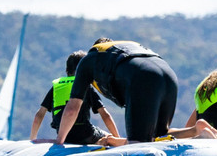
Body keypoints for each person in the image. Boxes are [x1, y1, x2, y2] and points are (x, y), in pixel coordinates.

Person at [55, 38, 183, 145]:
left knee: (137, 145)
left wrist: (60, 141)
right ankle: (196, 132)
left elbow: (72, 109)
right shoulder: (119, 51)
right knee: (160, 136)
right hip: (169, 74)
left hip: (143, 77)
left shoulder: (88, 60)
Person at [29, 51, 121, 145]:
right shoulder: (85, 86)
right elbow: (105, 115)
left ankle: (99, 142)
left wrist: (32, 139)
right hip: (86, 134)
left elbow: (39, 115)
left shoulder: (57, 87)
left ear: (66, 70)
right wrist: (117, 138)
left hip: (64, 136)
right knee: (109, 137)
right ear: (84, 70)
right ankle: (109, 141)